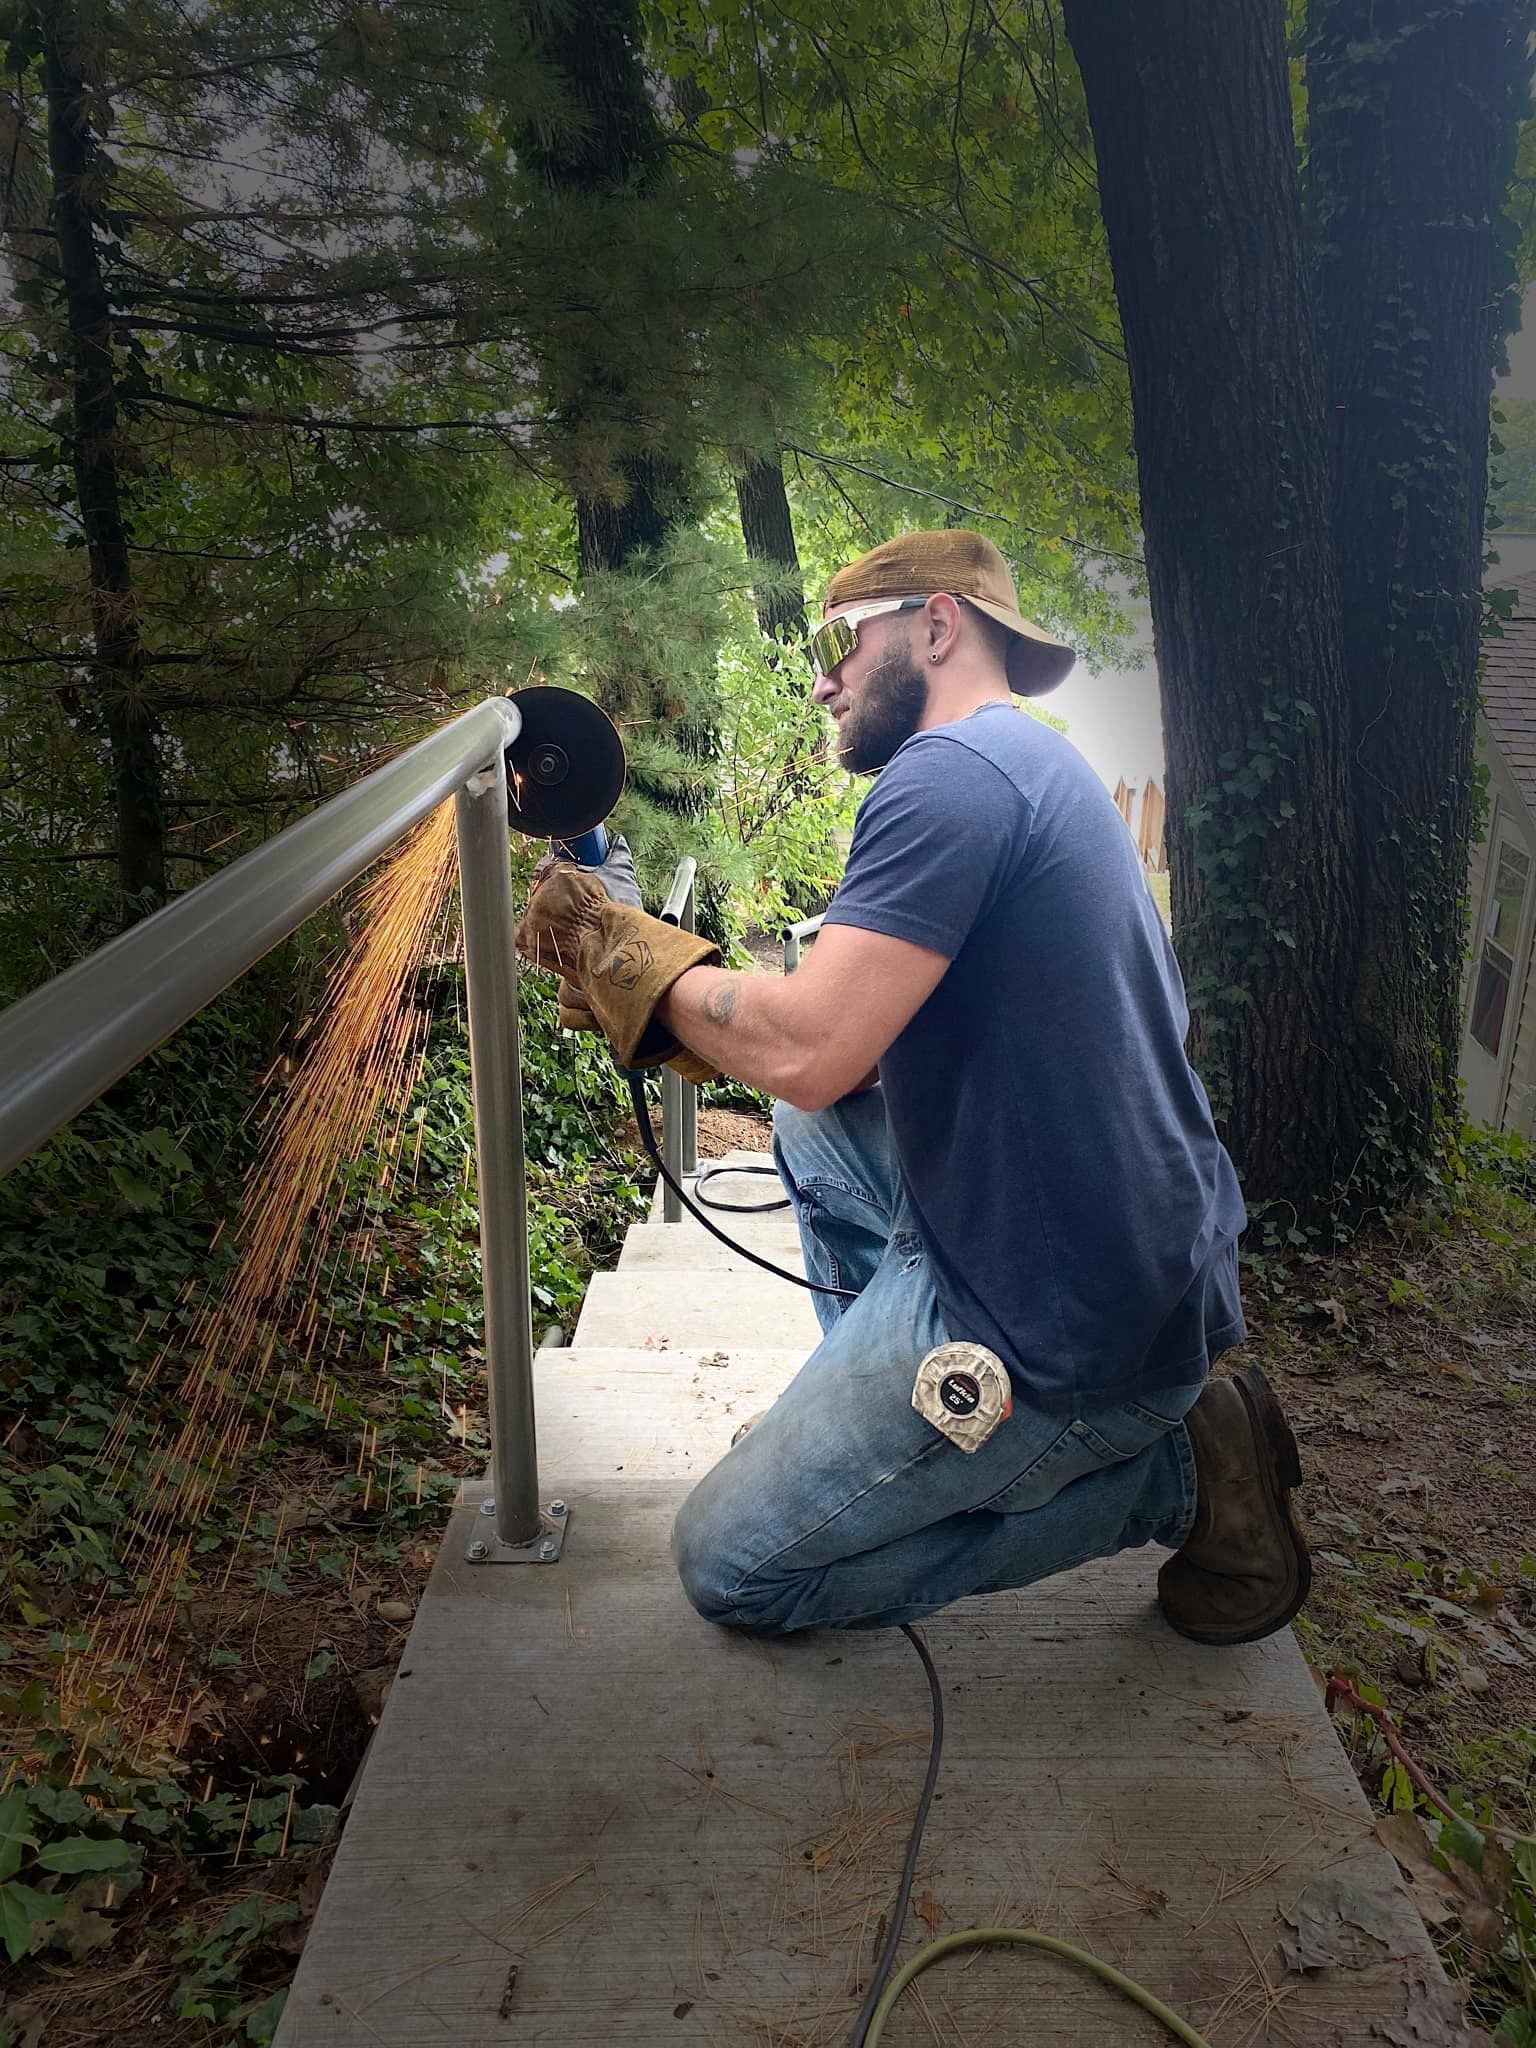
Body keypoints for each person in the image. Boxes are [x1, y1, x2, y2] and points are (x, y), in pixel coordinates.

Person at [515, 528, 1309, 1646]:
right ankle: (878, 1429)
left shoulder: (947, 778)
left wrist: (613, 948)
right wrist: (626, 937)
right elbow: (837, 1051)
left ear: (936, 627)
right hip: (1120, 1253)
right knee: (814, 1128)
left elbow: (811, 1041)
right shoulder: (1021, 765)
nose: (821, 676)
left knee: (734, 1566)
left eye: (842, 639)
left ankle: (1182, 1475)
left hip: (1066, 1330)